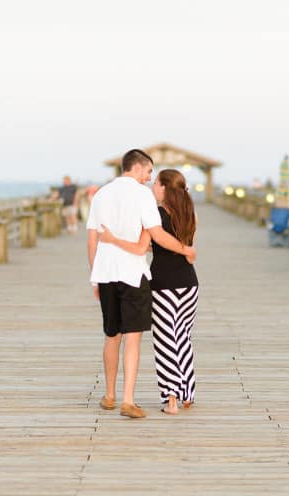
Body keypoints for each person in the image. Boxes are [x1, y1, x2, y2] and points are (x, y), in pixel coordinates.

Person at [86, 149, 196, 419]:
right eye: (148, 172)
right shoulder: (142, 196)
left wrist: (95, 275)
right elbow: (156, 235)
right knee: (133, 338)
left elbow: (92, 240)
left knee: (112, 336)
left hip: (107, 274)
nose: (149, 178)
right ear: (138, 168)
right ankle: (128, 400)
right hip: (134, 274)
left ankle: (109, 395)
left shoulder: (100, 194)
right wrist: (186, 249)